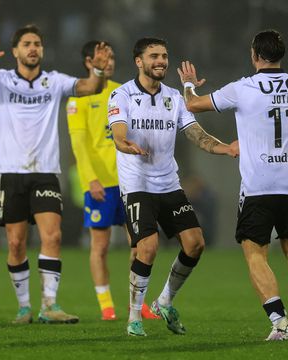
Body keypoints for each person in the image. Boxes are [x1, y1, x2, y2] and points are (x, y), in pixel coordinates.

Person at [178, 29, 288, 341]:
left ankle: (281, 324)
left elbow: (192, 105)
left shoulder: (243, 88)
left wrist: (189, 84)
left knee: (255, 254)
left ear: (254, 56)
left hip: (259, 185)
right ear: (281, 55)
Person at [0, 24, 112, 324]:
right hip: (11, 171)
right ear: (16, 50)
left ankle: (49, 305)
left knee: (53, 236)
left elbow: (89, 88)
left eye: (37, 44)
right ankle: (24, 307)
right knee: (16, 243)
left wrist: (97, 70)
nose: (33, 48)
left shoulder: (53, 82)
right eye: (27, 43)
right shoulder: (2, 80)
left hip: (45, 172)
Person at [108, 37, 238, 337]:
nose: (161, 61)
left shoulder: (175, 98)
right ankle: (134, 318)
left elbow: (194, 132)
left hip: (168, 183)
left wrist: (224, 149)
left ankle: (164, 301)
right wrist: (124, 143)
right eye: (154, 56)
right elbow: (118, 131)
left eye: (164, 56)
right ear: (139, 61)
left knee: (195, 244)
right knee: (148, 248)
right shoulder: (121, 94)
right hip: (136, 183)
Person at [66, 40, 159, 321]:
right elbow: (79, 144)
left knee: (140, 244)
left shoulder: (124, 92)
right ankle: (107, 306)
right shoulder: (77, 98)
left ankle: (138, 303)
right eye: (101, 57)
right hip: (100, 183)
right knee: (101, 246)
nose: (108, 61)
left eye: (111, 56)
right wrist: (90, 179)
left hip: (130, 180)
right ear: (88, 61)